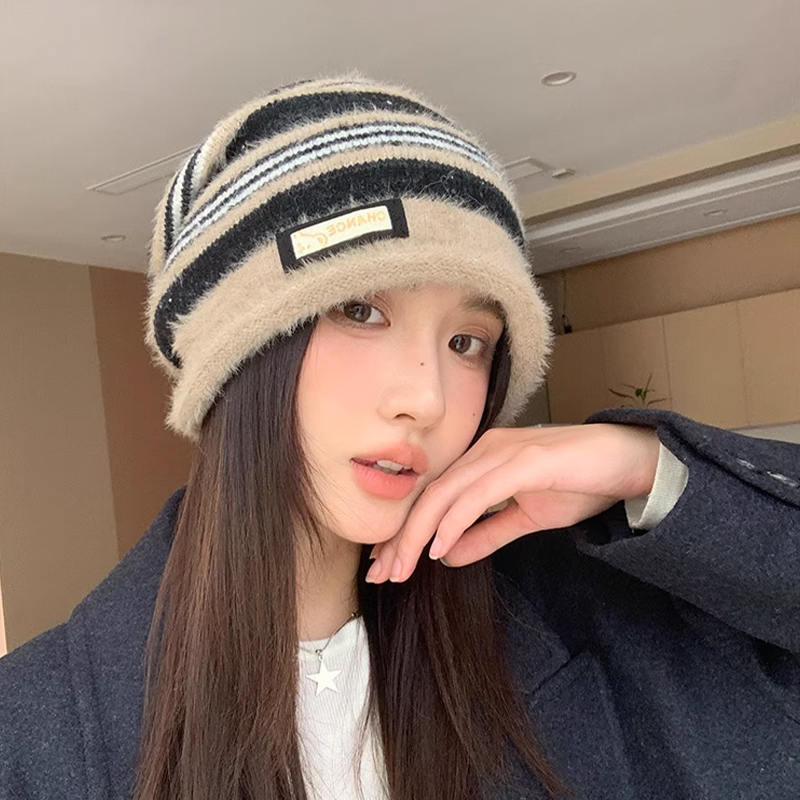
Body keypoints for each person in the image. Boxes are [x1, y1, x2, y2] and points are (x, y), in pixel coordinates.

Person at [0, 75, 798, 800]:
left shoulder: (589, 630)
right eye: (360, 310)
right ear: (238, 357)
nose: (426, 397)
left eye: (467, 343)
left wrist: (651, 472)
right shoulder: (31, 732)